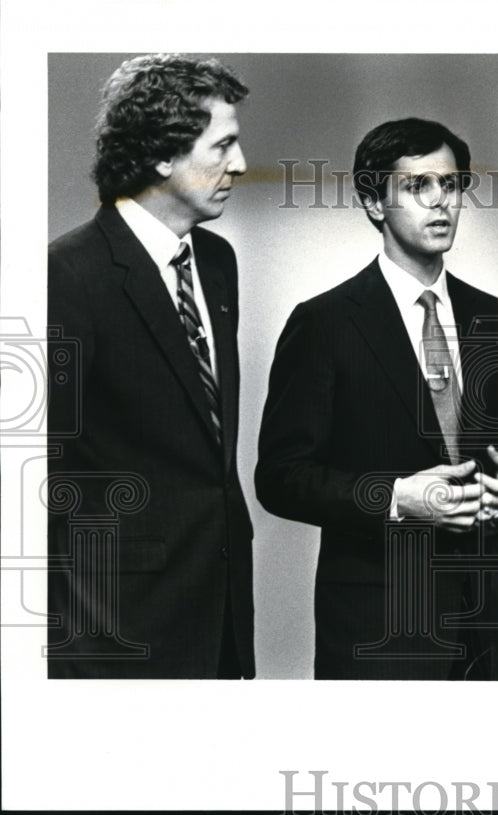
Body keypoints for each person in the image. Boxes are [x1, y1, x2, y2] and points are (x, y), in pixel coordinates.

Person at [256, 117, 498, 679]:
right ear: (373, 204)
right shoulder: (323, 324)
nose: (442, 202)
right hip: (379, 625)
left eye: (452, 184)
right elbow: (280, 476)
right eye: (418, 186)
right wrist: (396, 498)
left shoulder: (496, 319)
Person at [47, 54, 255, 678]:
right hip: (117, 633)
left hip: (219, 618)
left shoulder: (216, 263)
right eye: (223, 145)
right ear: (163, 157)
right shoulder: (67, 274)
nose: (240, 165)